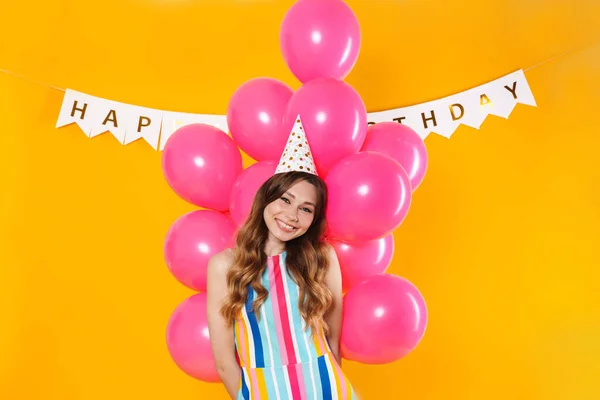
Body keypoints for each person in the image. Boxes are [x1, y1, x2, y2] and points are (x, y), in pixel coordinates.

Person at [206, 117, 358, 399]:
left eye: (306, 209)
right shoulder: (225, 266)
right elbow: (225, 362)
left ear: (313, 219)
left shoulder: (322, 258)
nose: (291, 215)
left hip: (325, 387)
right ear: (266, 199)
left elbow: (332, 341)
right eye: (285, 200)